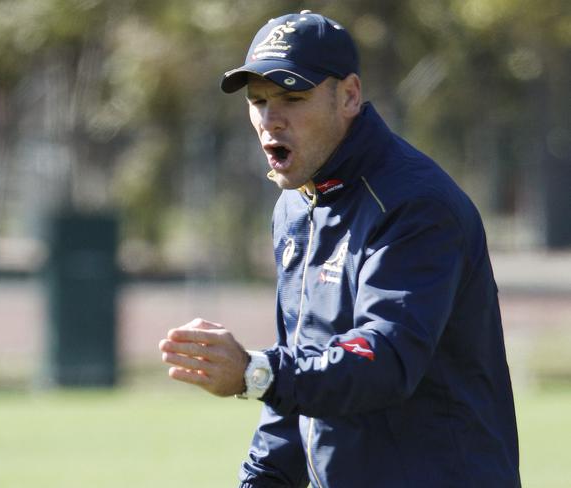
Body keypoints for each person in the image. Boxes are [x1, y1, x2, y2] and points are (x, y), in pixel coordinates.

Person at [159, 10, 520, 488]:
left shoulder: (415, 205)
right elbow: (300, 380)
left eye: (293, 96)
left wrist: (253, 372)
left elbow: (384, 358)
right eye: (259, 100)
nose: (271, 118)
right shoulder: (294, 205)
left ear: (349, 95)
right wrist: (261, 478)